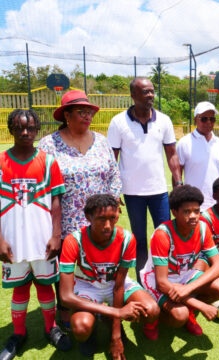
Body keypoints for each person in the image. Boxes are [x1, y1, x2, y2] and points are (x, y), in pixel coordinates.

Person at [38, 90, 122, 327]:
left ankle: (99, 304)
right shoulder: (49, 144)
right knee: (65, 268)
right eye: (81, 112)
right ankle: (65, 309)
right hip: (66, 222)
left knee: (100, 265)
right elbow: (43, 183)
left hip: (100, 220)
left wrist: (113, 202)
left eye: (89, 112)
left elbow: (114, 175)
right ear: (66, 115)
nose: (87, 116)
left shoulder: (101, 141)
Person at [0, 109, 71, 360]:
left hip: (42, 239)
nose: (25, 132)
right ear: (11, 129)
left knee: (44, 285)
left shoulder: (48, 161)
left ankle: (51, 328)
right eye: (19, 128)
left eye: (30, 127)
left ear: (37, 129)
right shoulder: (0, 161)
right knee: (20, 289)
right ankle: (18, 334)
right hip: (12, 241)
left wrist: (56, 236)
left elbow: (56, 203)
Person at [59, 194, 160, 358]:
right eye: (101, 219)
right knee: (81, 328)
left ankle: (112, 324)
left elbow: (119, 286)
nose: (108, 225)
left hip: (115, 285)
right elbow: (65, 297)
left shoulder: (127, 239)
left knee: (152, 310)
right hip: (88, 286)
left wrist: (116, 336)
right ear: (88, 217)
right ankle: (91, 333)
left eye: (113, 218)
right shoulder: (74, 240)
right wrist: (116, 312)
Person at [107, 77, 182, 280]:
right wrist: (113, 191)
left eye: (152, 91)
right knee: (139, 239)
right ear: (133, 95)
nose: (150, 95)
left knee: (165, 236)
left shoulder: (164, 120)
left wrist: (178, 183)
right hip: (132, 193)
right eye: (145, 92)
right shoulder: (118, 122)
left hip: (159, 191)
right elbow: (111, 159)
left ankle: (165, 278)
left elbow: (172, 154)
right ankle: (143, 280)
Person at [140, 185, 219, 336]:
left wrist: (188, 288)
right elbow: (162, 283)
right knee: (180, 316)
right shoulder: (163, 234)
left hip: (184, 276)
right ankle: (153, 318)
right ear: (174, 212)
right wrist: (201, 306)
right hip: (158, 279)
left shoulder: (202, 228)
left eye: (196, 211)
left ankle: (189, 311)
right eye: (187, 211)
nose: (193, 215)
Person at [176, 101, 219, 211]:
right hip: (193, 204)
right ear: (195, 119)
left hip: (216, 204)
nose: (208, 122)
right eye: (204, 118)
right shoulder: (184, 143)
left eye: (212, 119)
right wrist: (178, 198)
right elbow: (177, 172)